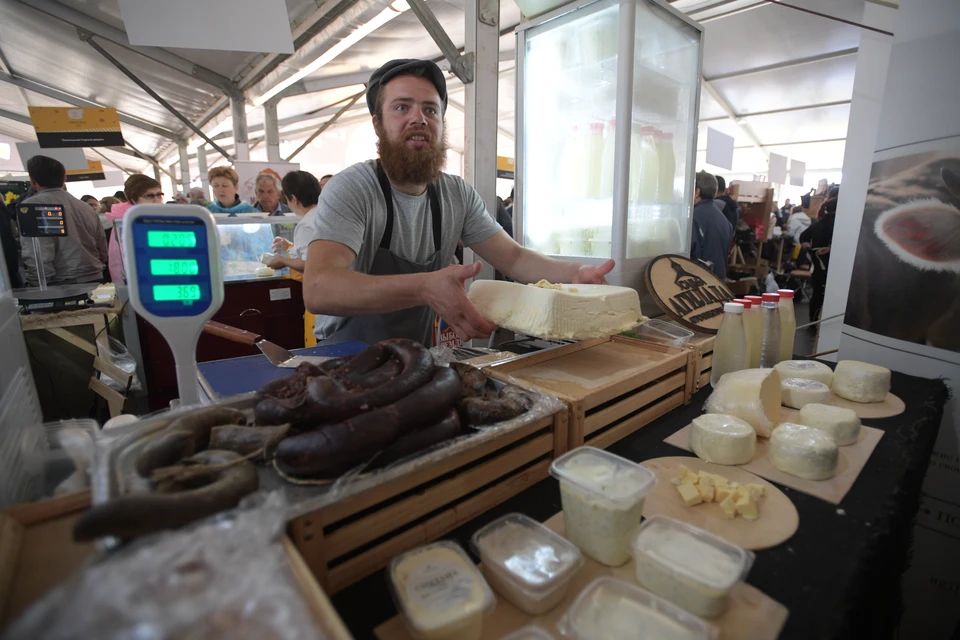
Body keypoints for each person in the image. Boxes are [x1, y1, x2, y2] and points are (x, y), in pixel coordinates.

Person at [303, 58, 613, 345]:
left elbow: (515, 259)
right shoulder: (353, 188)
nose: (418, 118)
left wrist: (575, 274)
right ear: (377, 124)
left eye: (430, 110)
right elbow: (318, 288)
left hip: (415, 355)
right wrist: (425, 287)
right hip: (342, 356)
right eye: (402, 107)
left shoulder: (455, 194)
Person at [20, 155, 107, 286]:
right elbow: (102, 247)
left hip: (62, 283)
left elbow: (38, 253)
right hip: (94, 276)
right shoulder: (85, 207)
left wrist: (37, 284)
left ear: (32, 181)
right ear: (64, 178)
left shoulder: (32, 207)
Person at [105, 174, 164, 282]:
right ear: (133, 199)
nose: (156, 200)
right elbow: (120, 261)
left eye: (159, 195)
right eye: (149, 196)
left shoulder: (161, 217)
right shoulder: (125, 221)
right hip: (138, 281)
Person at [267, 171, 321, 274]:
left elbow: (309, 264)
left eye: (286, 199)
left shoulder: (306, 225)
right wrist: (292, 247)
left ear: (294, 199)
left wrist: (282, 260)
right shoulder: (324, 214)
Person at [799, 195, 838, 323]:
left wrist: (809, 249)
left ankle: (813, 321)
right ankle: (823, 322)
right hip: (831, 264)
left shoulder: (818, 224)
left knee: (817, 293)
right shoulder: (838, 225)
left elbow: (803, 237)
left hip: (817, 263)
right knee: (830, 294)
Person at [690, 170, 733, 281]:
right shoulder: (724, 220)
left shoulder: (693, 218)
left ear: (697, 192)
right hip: (718, 282)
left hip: (698, 281)